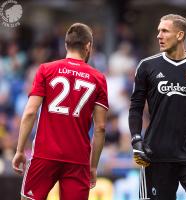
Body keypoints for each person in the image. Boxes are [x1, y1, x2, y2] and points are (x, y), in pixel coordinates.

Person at [12, 23, 108, 200]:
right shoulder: (98, 78)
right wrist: (93, 167)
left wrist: (19, 150)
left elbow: (30, 112)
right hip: (78, 159)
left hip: (45, 153)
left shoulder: (46, 70)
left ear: (66, 45)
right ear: (88, 46)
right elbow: (100, 127)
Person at [129, 14, 186, 200]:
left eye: (164, 31)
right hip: (156, 154)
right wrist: (136, 139)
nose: (159, 36)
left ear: (180, 35)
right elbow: (136, 107)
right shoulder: (146, 67)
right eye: (158, 31)